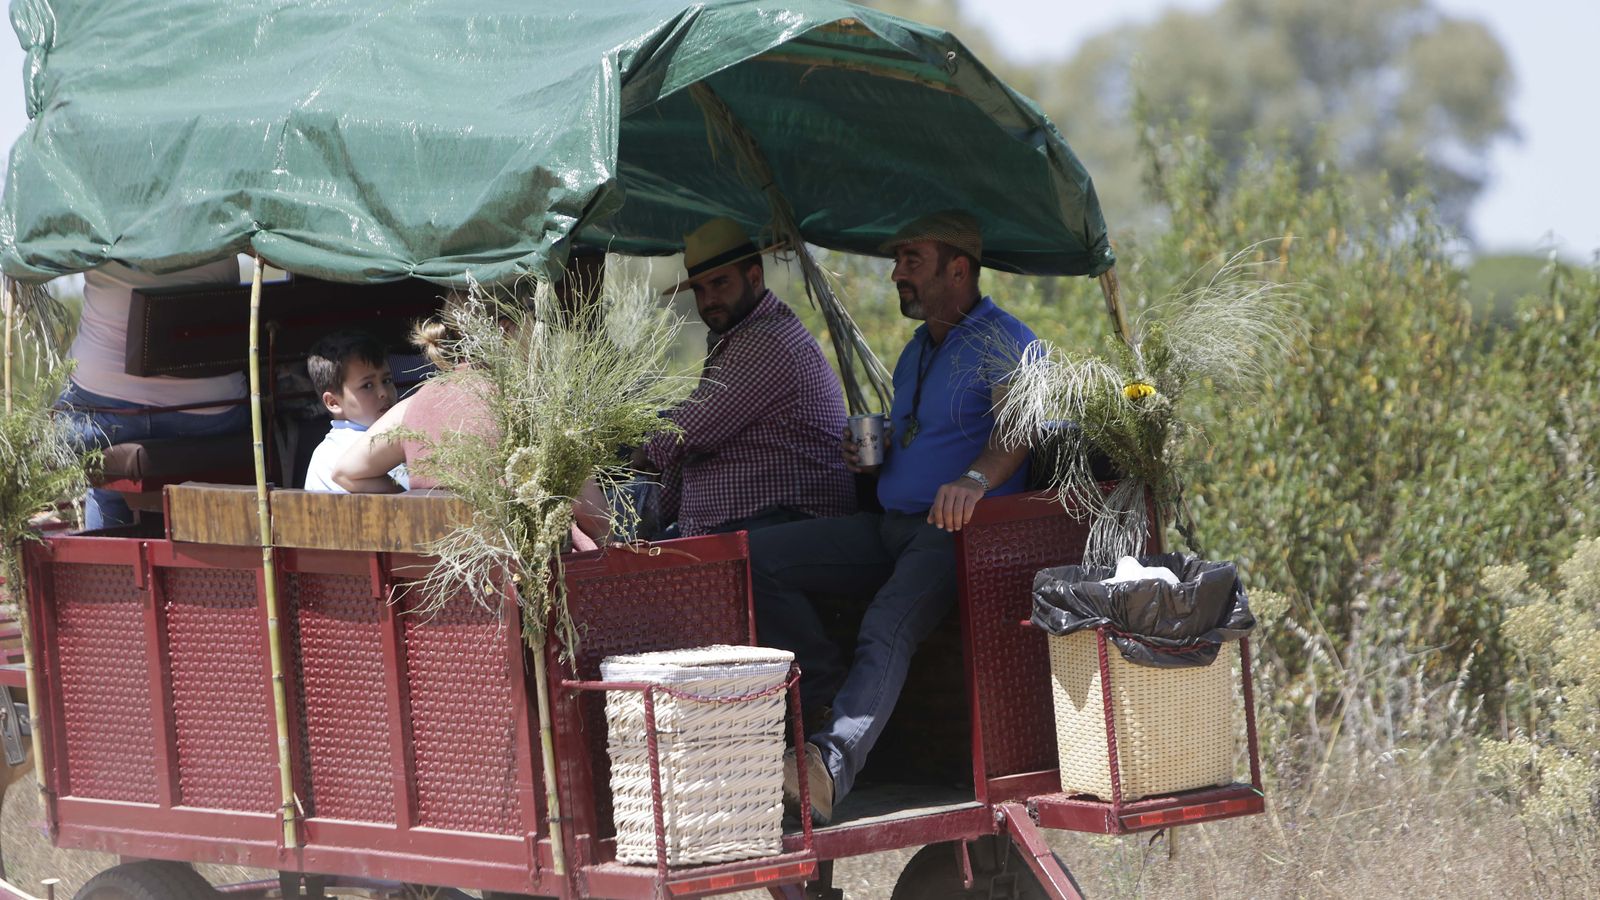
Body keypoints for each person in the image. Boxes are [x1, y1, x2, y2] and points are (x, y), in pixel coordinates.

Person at [750, 211, 1037, 823]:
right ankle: (827, 701)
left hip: (954, 536)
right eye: (897, 261)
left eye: (912, 261)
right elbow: (920, 438)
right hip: (888, 525)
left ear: (957, 269)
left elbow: (1023, 429)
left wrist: (975, 479)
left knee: (886, 624)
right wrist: (873, 461)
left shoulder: (1004, 337)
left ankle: (826, 765)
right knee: (763, 556)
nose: (896, 275)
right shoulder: (915, 350)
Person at [633, 217, 853, 537]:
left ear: (753, 277)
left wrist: (639, 452)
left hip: (788, 526)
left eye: (720, 283)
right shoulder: (737, 340)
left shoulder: (767, 340)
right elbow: (690, 450)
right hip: (747, 527)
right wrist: (643, 525)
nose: (709, 301)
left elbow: (692, 427)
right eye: (700, 288)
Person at [329, 306, 608, 548]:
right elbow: (596, 517)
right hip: (526, 583)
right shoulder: (533, 406)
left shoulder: (413, 405)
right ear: (506, 329)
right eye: (532, 322)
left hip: (438, 577)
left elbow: (346, 472)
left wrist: (415, 503)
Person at [56, 259, 250, 529]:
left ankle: (108, 548)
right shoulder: (220, 224)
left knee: (98, 473)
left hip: (107, 410)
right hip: (211, 411)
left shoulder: (102, 226)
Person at [301, 329, 409, 492]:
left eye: (387, 380)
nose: (383, 393)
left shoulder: (391, 436)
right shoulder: (334, 455)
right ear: (333, 402)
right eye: (367, 385)